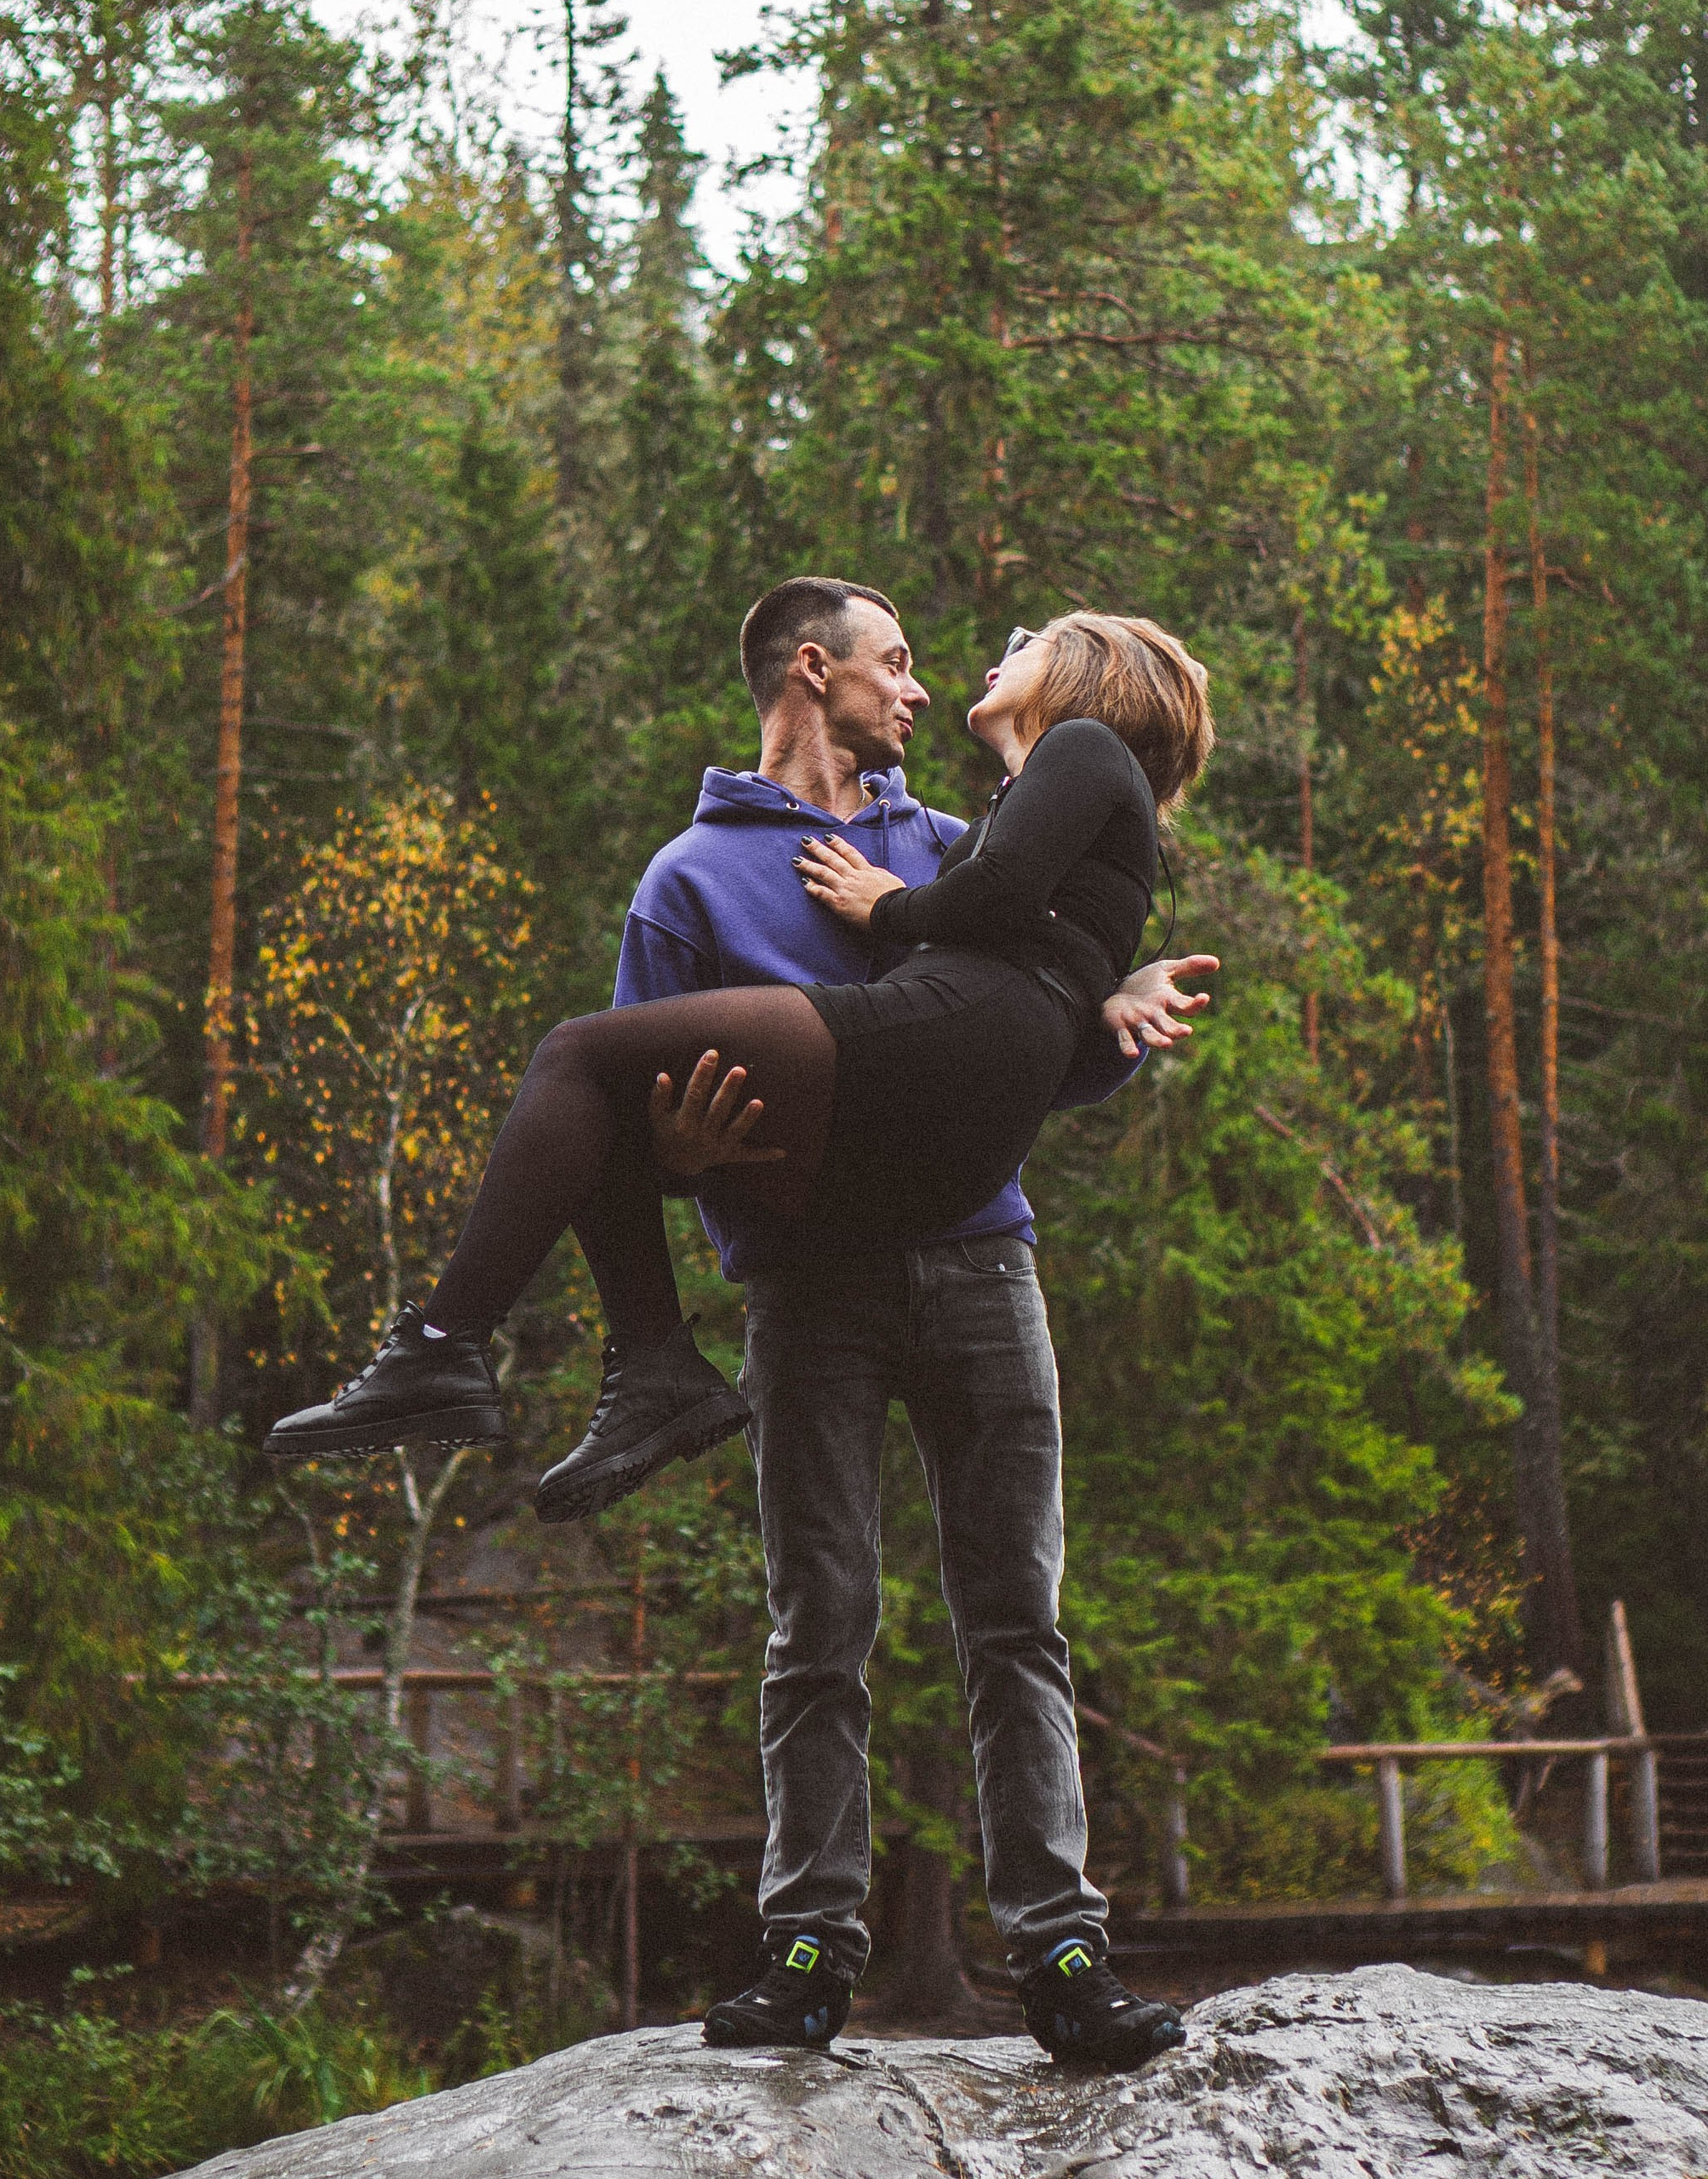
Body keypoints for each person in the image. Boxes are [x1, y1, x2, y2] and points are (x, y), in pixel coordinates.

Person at [266, 580, 1215, 2067]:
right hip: (806, 1283)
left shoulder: (946, 841)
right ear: (814, 671)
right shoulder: (688, 884)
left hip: (981, 1267)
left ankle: (1062, 1951)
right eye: (896, 664)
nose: (923, 690)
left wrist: (1107, 1025)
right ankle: (808, 1954)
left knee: (1017, 1618)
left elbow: (1007, 1048)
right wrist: (696, 1173)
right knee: (817, 1627)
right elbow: (621, 1139)